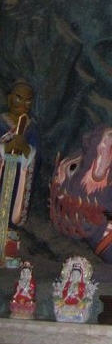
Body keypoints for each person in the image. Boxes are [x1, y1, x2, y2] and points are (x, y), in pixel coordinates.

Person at [0, 79, 39, 267]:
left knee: (13, 206)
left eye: (28, 100)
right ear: (9, 98)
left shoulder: (31, 127)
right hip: (2, 169)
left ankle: (8, 243)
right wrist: (5, 148)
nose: (23, 103)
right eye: (18, 98)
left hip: (19, 173)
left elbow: (35, 154)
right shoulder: (1, 122)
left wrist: (25, 148)